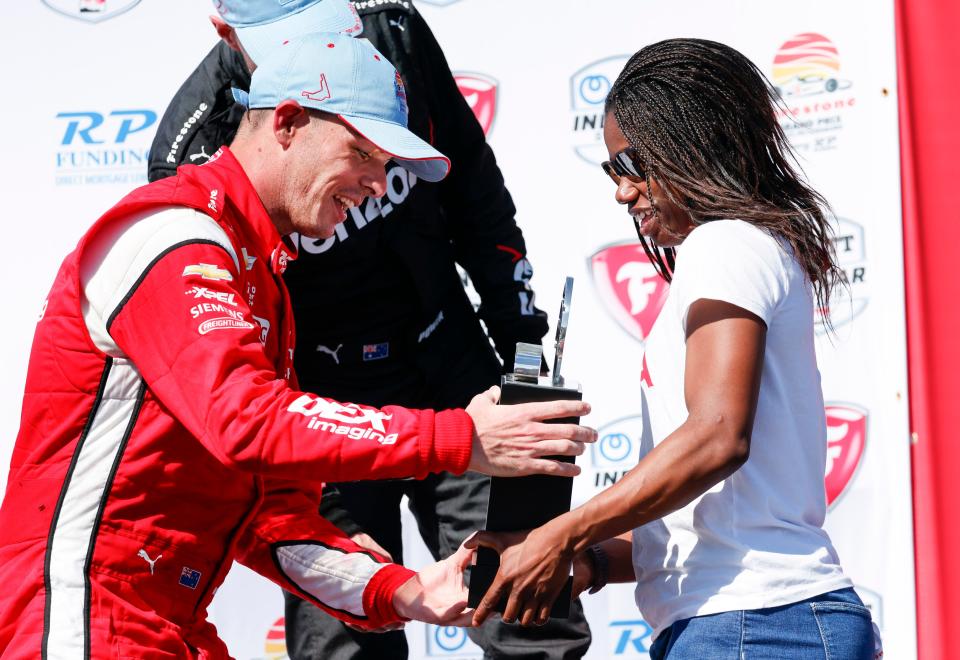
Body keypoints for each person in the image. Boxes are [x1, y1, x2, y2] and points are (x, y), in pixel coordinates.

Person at [0, 32, 597, 659]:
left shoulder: (266, 279)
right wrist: (457, 439)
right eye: (363, 153)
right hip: (85, 612)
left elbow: (269, 513)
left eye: (390, 166)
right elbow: (247, 421)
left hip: (169, 622)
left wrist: (403, 590)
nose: (378, 184)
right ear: (286, 123)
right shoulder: (176, 234)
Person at [468, 38, 880, 660]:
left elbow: (717, 438)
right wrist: (587, 563)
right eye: (610, 170)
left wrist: (559, 534)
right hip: (751, 625)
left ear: (686, 144)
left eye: (628, 164)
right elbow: (712, 523)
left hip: (759, 626)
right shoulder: (741, 248)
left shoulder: (725, 246)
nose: (621, 191)